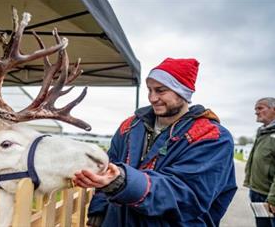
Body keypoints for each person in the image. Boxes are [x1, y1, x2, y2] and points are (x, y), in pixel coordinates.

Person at [73, 58, 237, 226]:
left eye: (160, 90)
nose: (152, 98)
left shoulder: (212, 136)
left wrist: (123, 182)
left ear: (183, 91)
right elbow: (107, 168)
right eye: (149, 90)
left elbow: (188, 195)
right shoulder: (130, 125)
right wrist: (99, 210)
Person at [244, 97, 275, 227]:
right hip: (257, 192)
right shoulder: (263, 132)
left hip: (270, 196)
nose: (256, 112)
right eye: (256, 109)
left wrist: (273, 198)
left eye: (260, 108)